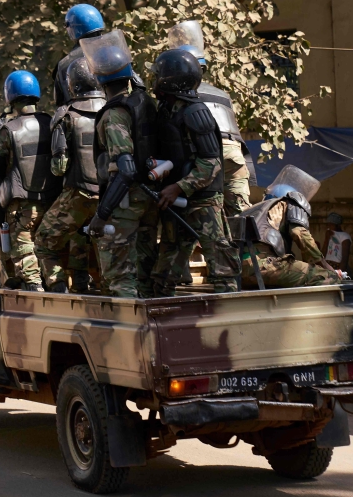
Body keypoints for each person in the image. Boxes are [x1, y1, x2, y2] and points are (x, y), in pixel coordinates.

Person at [149, 49, 240, 296]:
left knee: (220, 261)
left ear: (170, 79)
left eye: (158, 74)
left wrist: (178, 187)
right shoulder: (167, 110)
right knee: (167, 262)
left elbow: (211, 163)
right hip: (176, 198)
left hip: (203, 200)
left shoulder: (195, 112)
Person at [80, 31, 160, 298]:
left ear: (100, 81)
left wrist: (102, 215)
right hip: (151, 196)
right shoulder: (144, 102)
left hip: (127, 201)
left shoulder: (114, 114)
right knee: (145, 270)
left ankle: (127, 329)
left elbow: (125, 169)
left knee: (119, 275)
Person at [0, 71, 62, 291]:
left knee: (23, 245)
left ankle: (35, 286)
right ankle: (58, 283)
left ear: (10, 98)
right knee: (51, 245)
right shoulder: (53, 122)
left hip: (23, 203)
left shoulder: (9, 130)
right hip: (55, 201)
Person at [167, 21, 256, 215]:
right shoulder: (222, 94)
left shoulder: (181, 95)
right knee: (240, 215)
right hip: (234, 152)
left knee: (201, 211)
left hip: (208, 153)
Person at [34, 57, 106, 293]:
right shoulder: (117, 107)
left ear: (72, 84)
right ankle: (104, 288)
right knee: (107, 247)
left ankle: (58, 288)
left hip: (78, 194)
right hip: (113, 195)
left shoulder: (65, 115)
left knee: (44, 243)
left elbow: (59, 168)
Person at [239, 166, 340, 287]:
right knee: (329, 277)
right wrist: (325, 266)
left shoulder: (255, 209)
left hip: (238, 270)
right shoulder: (290, 201)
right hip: (264, 267)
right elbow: (299, 234)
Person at [53, 4, 106, 108]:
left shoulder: (63, 64)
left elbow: (60, 102)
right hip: (115, 114)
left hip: (80, 120)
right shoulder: (113, 50)